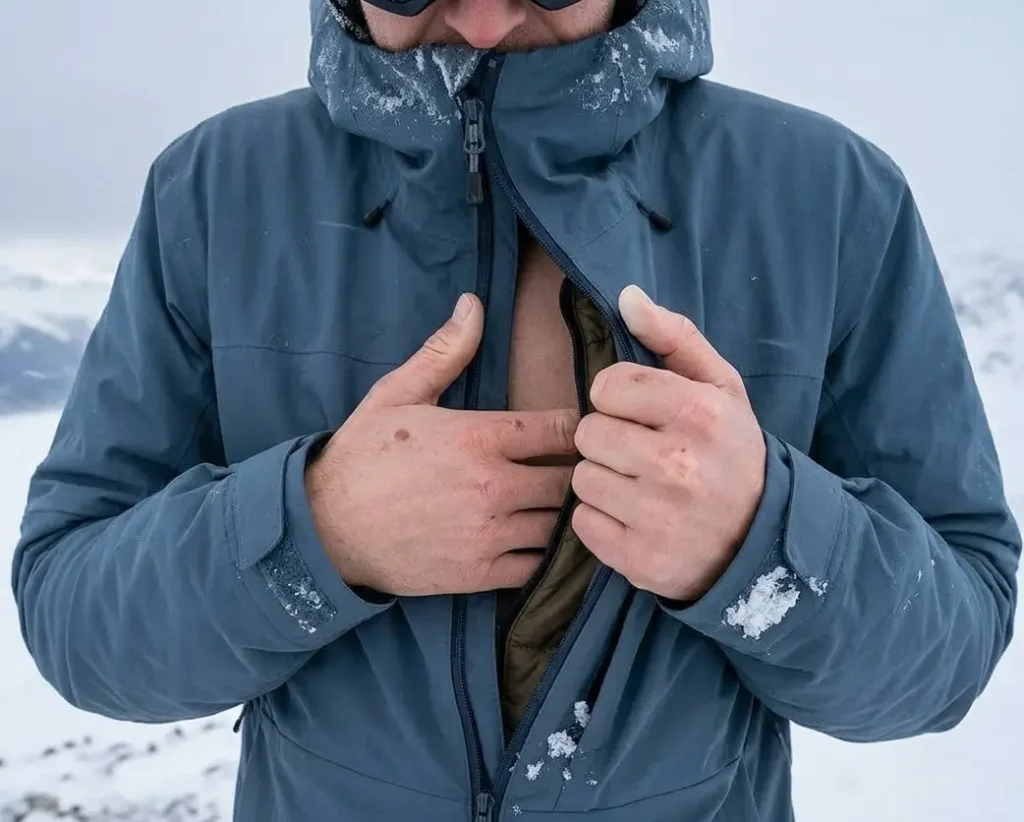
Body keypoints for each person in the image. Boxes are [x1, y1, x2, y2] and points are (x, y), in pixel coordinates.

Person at [11, 0, 1020, 819]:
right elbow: (76, 618)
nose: (485, 21)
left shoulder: (831, 198)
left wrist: (760, 543)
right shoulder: (214, 190)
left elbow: (951, 649)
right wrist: (318, 533)